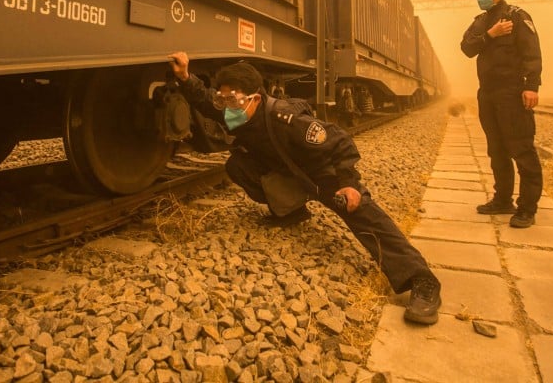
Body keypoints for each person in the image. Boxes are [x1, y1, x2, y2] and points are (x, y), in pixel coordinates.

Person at [167, 52, 442, 325]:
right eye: (223, 99)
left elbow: (341, 142)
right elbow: (205, 102)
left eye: (232, 100)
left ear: (255, 98)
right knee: (237, 165)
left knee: (361, 213)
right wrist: (185, 77)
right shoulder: (237, 110)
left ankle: (422, 280)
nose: (226, 107)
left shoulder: (286, 119)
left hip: (321, 175)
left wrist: (348, 184)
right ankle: (291, 212)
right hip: (289, 172)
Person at [460, 0, 543, 228]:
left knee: (521, 149)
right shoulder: (481, 22)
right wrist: (491, 35)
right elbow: (467, 47)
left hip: (512, 92)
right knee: (497, 150)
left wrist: (531, 87)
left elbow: (532, 53)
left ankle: (527, 208)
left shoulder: (517, 16)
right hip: (487, 94)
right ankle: (503, 199)